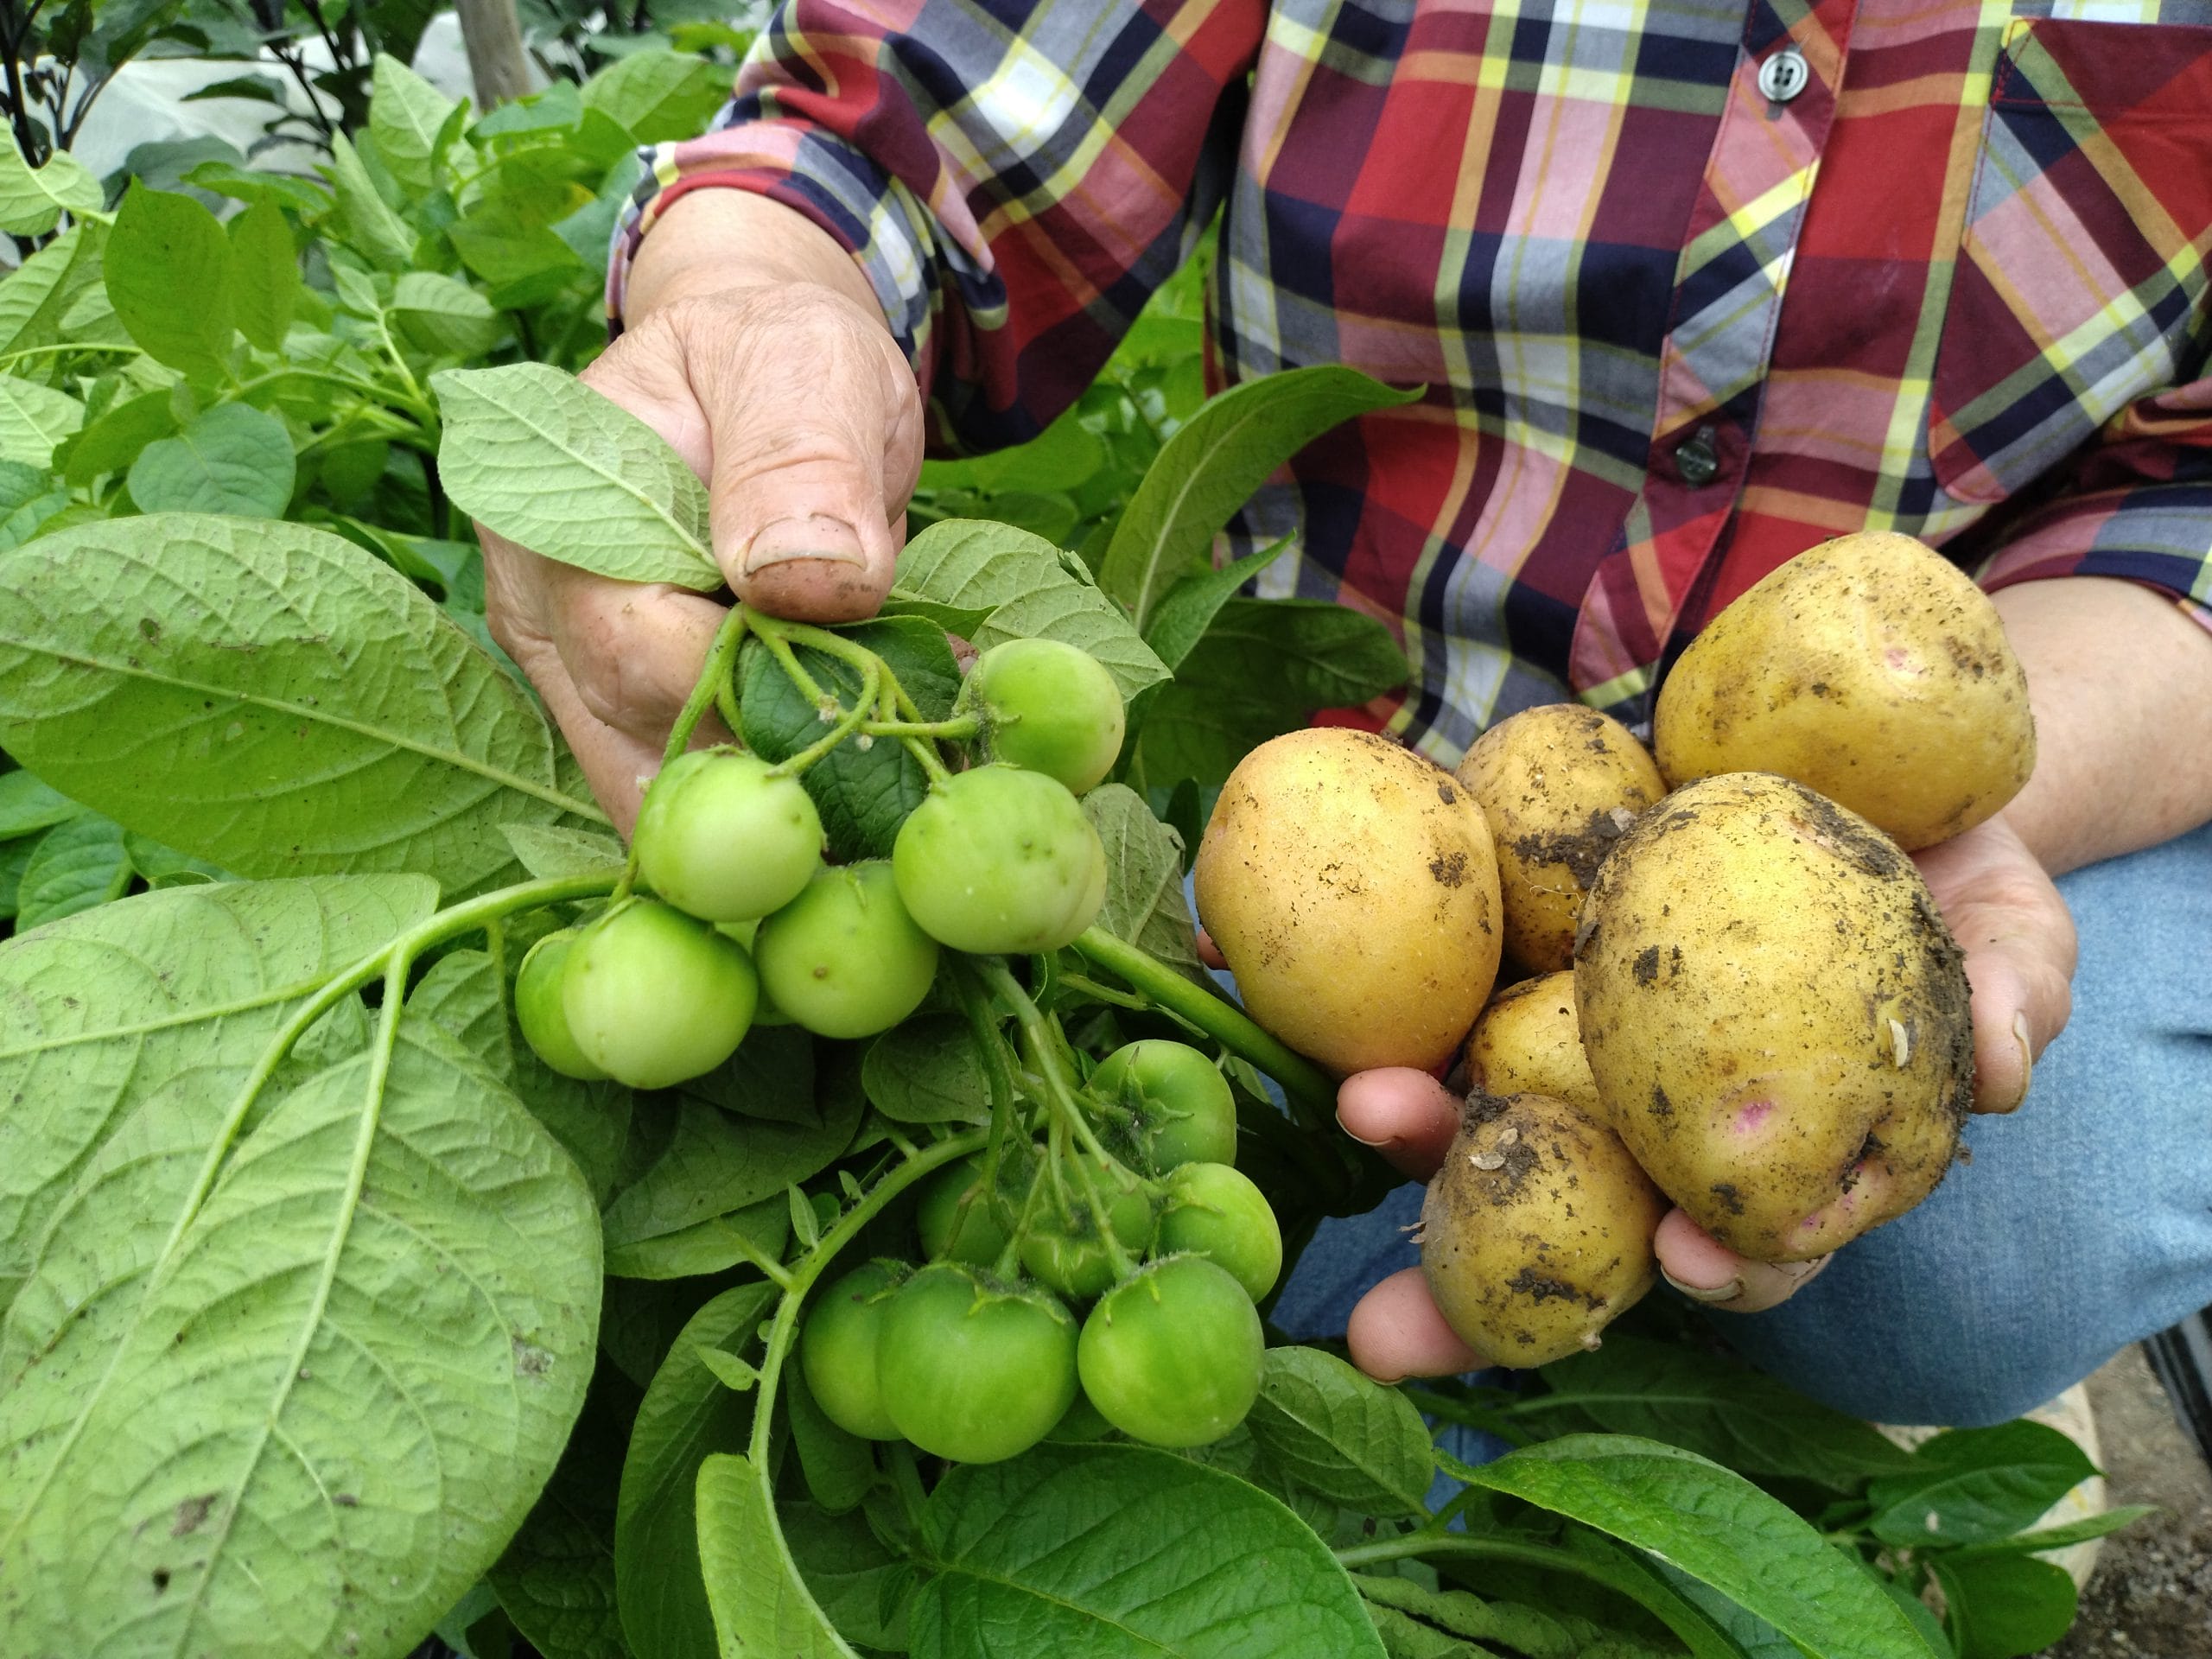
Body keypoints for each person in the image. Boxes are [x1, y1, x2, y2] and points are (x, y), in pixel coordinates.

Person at [481, 0, 2212, 1433]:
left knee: (1980, 1249)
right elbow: (893, 122)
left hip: (2010, 713)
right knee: (1332, 1249)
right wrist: (753, 291)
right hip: (1362, 771)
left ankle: (1843, 1402)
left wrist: (1953, 806)